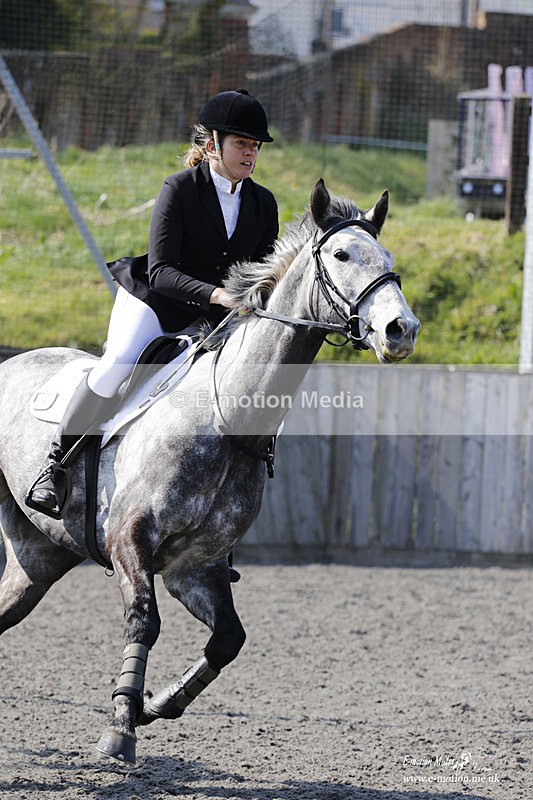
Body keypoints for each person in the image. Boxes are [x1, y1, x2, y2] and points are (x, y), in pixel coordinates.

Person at [26, 88, 279, 517]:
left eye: (255, 146)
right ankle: (57, 467)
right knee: (119, 363)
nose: (250, 154)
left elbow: (262, 274)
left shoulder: (263, 202)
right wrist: (216, 293)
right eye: (242, 144)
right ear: (213, 143)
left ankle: (218, 523)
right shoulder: (179, 189)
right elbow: (162, 270)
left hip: (217, 315)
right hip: (157, 301)